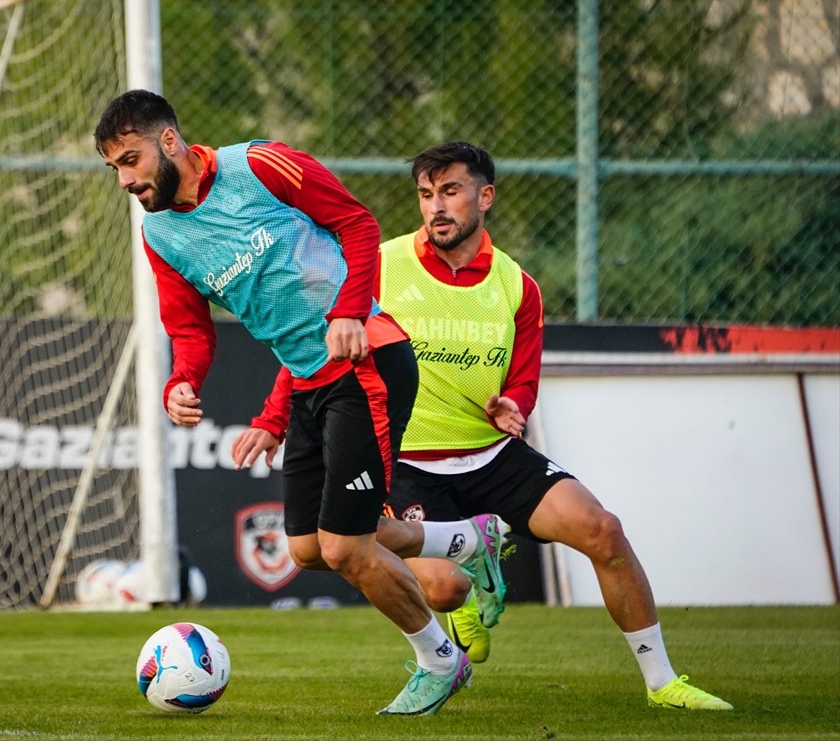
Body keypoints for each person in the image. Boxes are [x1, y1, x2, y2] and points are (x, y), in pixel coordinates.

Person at [233, 140, 733, 710]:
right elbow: (313, 347)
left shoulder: (517, 287)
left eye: (450, 191)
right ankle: (471, 554)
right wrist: (273, 419)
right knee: (444, 589)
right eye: (426, 195)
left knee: (604, 530)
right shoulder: (378, 265)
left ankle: (663, 684)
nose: (436, 207)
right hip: (407, 462)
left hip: (490, 455)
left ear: (485, 196)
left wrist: (512, 404)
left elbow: (524, 380)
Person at [94, 92, 508, 716]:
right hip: (309, 382)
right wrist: (183, 382)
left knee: (346, 547)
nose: (126, 180)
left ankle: (439, 662)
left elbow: (359, 225)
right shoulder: (161, 234)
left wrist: (348, 313)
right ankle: (471, 540)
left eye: (132, 159)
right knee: (311, 549)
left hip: (367, 363)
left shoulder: (261, 166)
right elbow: (190, 329)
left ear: (170, 142)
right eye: (114, 169)